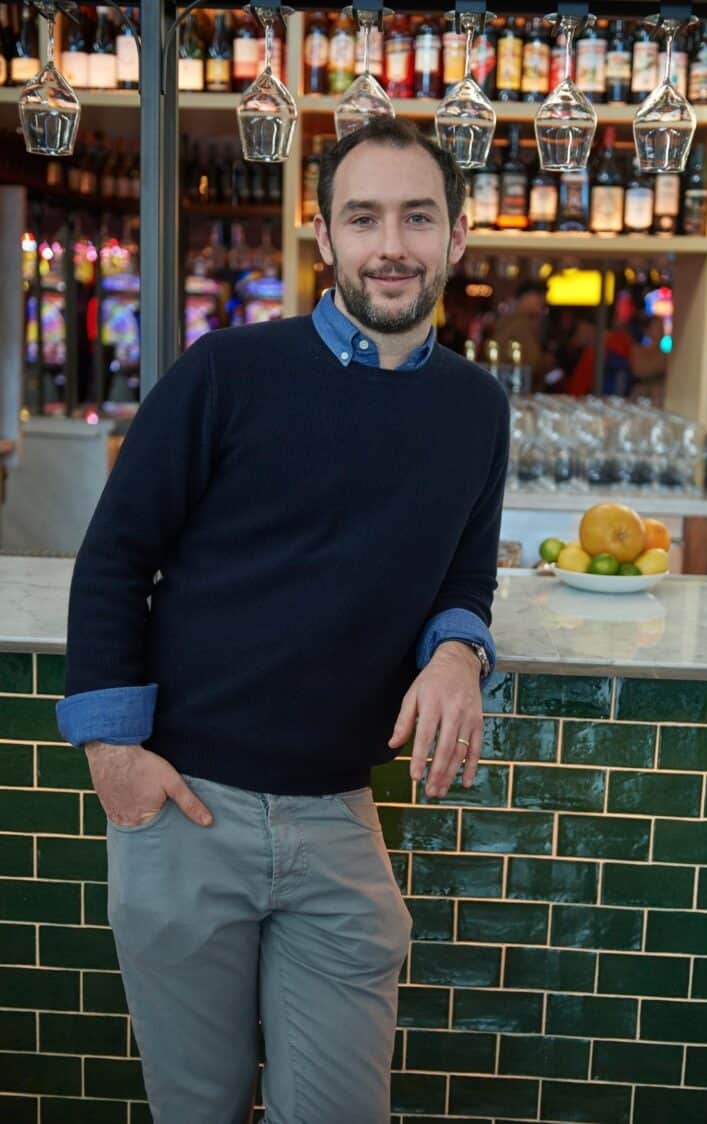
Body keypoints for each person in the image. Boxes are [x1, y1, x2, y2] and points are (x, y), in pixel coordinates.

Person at [56, 118, 510, 1124]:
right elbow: (116, 554)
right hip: (185, 807)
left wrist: (457, 652)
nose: (391, 243)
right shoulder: (229, 372)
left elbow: (465, 572)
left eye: (417, 216)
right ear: (325, 240)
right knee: (199, 1108)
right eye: (364, 217)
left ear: (457, 238)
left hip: (333, 817)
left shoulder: (478, 407)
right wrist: (113, 751)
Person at [490, 278, 557, 391]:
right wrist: (548, 360)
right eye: (539, 295)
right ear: (526, 297)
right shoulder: (521, 326)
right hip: (517, 388)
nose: (543, 300)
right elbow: (532, 364)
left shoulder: (508, 321)